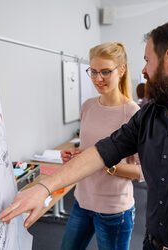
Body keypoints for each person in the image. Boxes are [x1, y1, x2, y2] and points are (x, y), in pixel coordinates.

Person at [0, 21, 168, 250]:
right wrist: (44, 187)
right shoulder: (150, 114)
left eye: (147, 60)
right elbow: (102, 151)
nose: (143, 70)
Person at [59, 42, 143, 250]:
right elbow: (89, 150)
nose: (98, 78)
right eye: (93, 72)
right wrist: (77, 157)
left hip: (114, 210)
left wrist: (105, 164)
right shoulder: (88, 106)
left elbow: (144, 172)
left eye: (105, 71)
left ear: (121, 70)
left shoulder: (133, 113)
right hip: (82, 201)